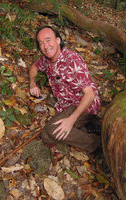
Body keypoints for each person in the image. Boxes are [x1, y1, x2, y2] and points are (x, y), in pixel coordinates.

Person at [29, 25, 101, 153]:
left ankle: (96, 143)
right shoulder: (47, 59)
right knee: (47, 136)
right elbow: (34, 67)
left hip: (84, 103)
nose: (46, 46)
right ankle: (87, 128)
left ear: (58, 40)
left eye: (48, 40)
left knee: (50, 131)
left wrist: (71, 120)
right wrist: (33, 84)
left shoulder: (72, 60)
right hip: (66, 104)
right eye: (41, 43)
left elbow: (89, 95)